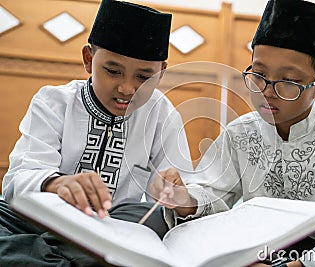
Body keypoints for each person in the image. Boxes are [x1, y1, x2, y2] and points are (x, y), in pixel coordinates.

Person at [151, 0, 315, 266]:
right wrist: (184, 199)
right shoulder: (240, 132)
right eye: (258, 74)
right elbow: (214, 195)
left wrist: (302, 265)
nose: (266, 91)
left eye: (289, 81)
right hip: (262, 248)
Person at [0, 0, 192, 265]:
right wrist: (57, 184)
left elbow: (182, 199)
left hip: (112, 225)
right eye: (113, 71)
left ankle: (41, 256)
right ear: (89, 59)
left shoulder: (163, 115)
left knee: (150, 217)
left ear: (161, 74)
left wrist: (178, 195)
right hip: (45, 219)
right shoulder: (54, 101)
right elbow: (17, 182)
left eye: (143, 77)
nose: (127, 88)